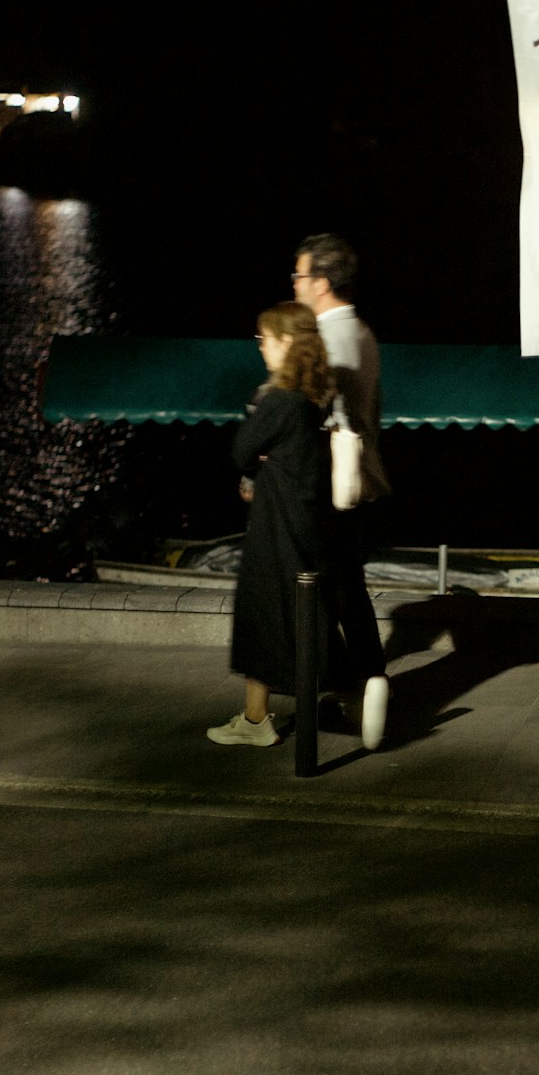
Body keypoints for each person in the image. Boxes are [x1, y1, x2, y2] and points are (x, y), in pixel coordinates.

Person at [206, 302, 332, 747]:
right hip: (306, 517)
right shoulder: (317, 394)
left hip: (274, 521)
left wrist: (258, 459)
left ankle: (258, 721)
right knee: (300, 610)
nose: (261, 349)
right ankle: (260, 713)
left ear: (286, 343)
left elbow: (242, 450)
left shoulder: (278, 399)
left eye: (266, 340)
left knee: (262, 611)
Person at [292, 233, 390, 751]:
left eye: (299, 276)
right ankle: (365, 684)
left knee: (325, 590)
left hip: (329, 485)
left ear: (322, 282)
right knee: (347, 592)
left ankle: (355, 687)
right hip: (358, 480)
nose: (295, 285)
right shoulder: (363, 332)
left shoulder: (328, 338)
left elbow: (322, 415)